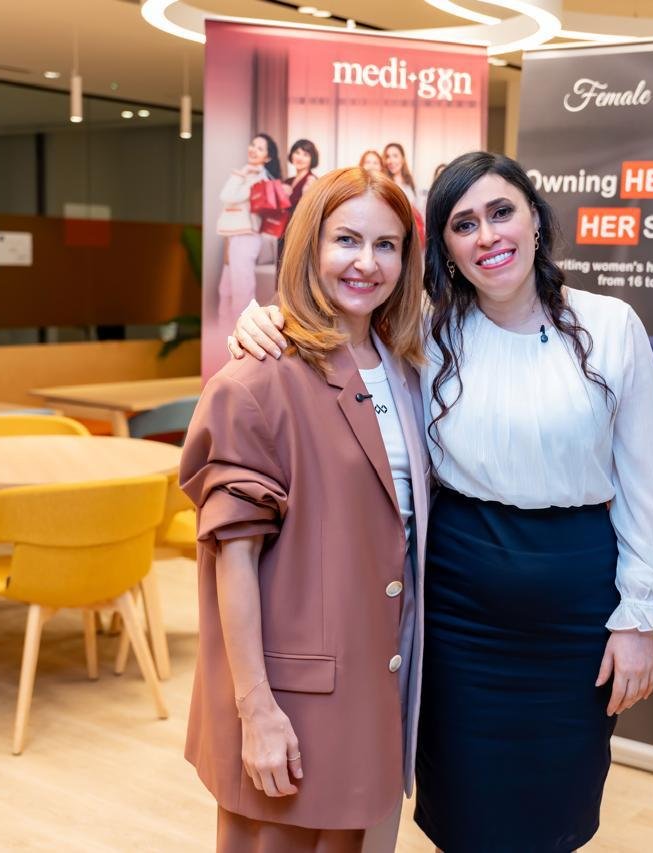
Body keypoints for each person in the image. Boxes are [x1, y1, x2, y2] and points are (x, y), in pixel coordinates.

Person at [229, 151, 653, 853]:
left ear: (535, 219)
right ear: (445, 248)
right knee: (465, 809)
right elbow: (332, 334)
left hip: (575, 612)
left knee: (556, 807)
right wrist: (259, 322)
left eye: (502, 212)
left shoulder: (610, 325)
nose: (487, 236)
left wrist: (638, 617)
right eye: (464, 224)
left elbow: (649, 481)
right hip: (458, 613)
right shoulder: (424, 335)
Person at [181, 166, 432, 853]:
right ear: (308, 247)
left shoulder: (410, 369)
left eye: (386, 245)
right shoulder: (257, 378)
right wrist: (256, 710)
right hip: (292, 701)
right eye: (346, 239)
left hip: (378, 684)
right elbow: (232, 562)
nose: (366, 262)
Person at [215, 133, 280, 319]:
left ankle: (241, 333)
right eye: (253, 145)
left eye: (260, 148)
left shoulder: (259, 178)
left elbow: (227, 196)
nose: (253, 150)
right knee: (226, 290)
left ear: (267, 157)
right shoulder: (247, 173)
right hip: (233, 235)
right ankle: (223, 332)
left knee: (242, 291)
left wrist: (242, 175)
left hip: (246, 237)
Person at [278, 139, 320, 261]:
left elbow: (312, 213)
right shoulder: (287, 182)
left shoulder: (312, 181)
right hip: (283, 233)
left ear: (312, 159)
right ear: (292, 155)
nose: (300, 158)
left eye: (305, 154)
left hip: (300, 235)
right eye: (297, 153)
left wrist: (306, 194)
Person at [383, 143, 423, 210]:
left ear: (403, 158)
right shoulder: (384, 183)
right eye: (388, 157)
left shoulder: (410, 181)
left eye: (395, 156)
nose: (391, 161)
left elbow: (418, 208)